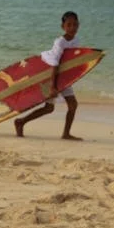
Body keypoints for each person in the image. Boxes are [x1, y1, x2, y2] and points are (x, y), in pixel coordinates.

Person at [14, 11, 83, 141]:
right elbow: (54, 64)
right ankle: (21, 122)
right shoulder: (60, 42)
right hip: (51, 75)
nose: (72, 28)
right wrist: (52, 87)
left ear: (79, 25)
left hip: (63, 77)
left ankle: (66, 134)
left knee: (72, 105)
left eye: (75, 25)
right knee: (49, 108)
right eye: (69, 25)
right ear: (63, 27)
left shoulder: (76, 40)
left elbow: (72, 60)